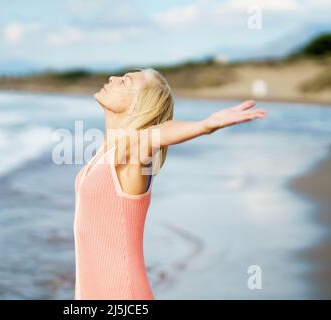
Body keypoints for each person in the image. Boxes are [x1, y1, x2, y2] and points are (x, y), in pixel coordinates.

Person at [73, 68, 266, 299]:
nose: (113, 78)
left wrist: (205, 125)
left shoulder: (132, 153)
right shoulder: (107, 153)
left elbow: (160, 133)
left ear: (140, 104)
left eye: (125, 81)